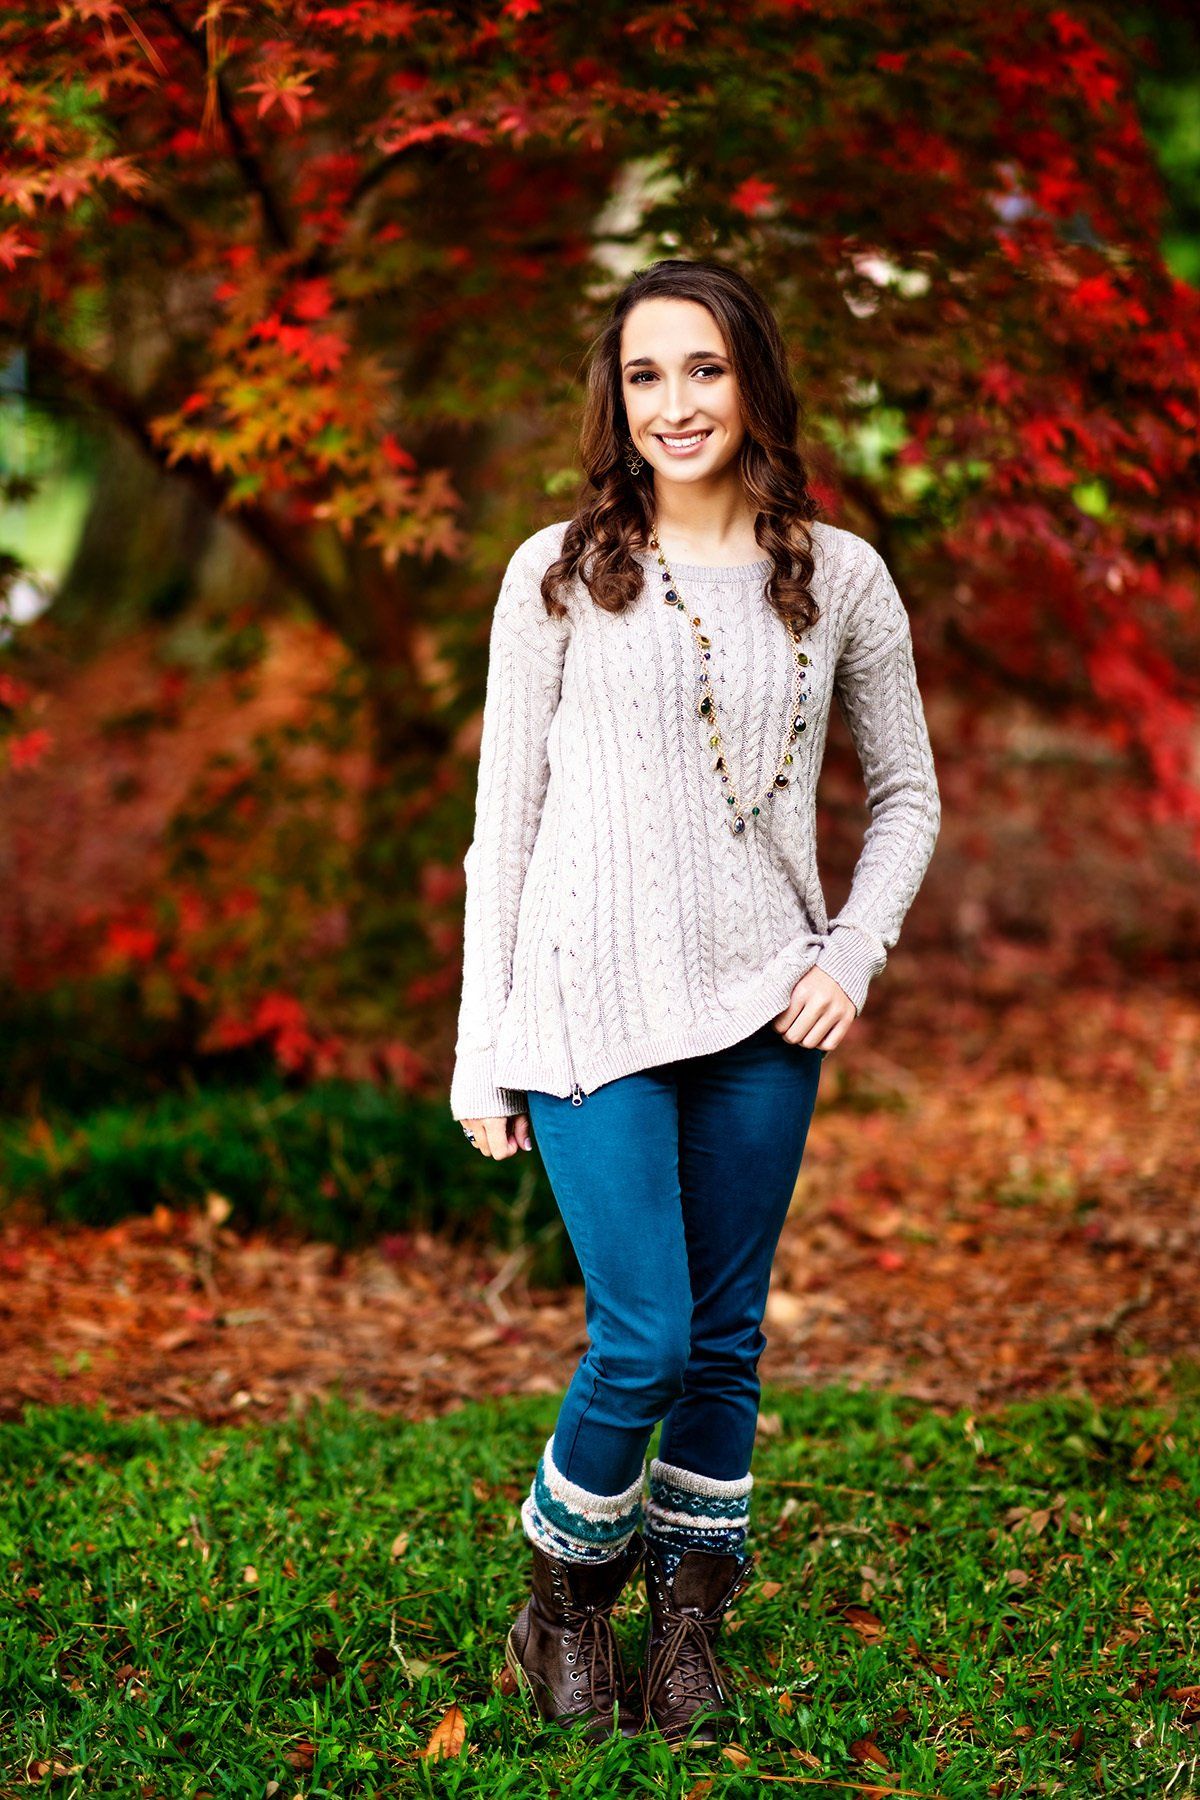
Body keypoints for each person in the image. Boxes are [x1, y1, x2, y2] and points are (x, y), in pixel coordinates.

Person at [449, 257, 941, 1746]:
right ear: (617, 396)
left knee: (727, 1341)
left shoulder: (841, 574)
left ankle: (687, 1631)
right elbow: (505, 827)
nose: (677, 402)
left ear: (755, 386)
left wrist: (846, 953)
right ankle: (561, 1605)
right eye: (648, 374)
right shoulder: (553, 573)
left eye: (707, 370)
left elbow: (909, 798)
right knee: (644, 1337)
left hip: (761, 1012)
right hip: (587, 1007)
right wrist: (484, 1054)